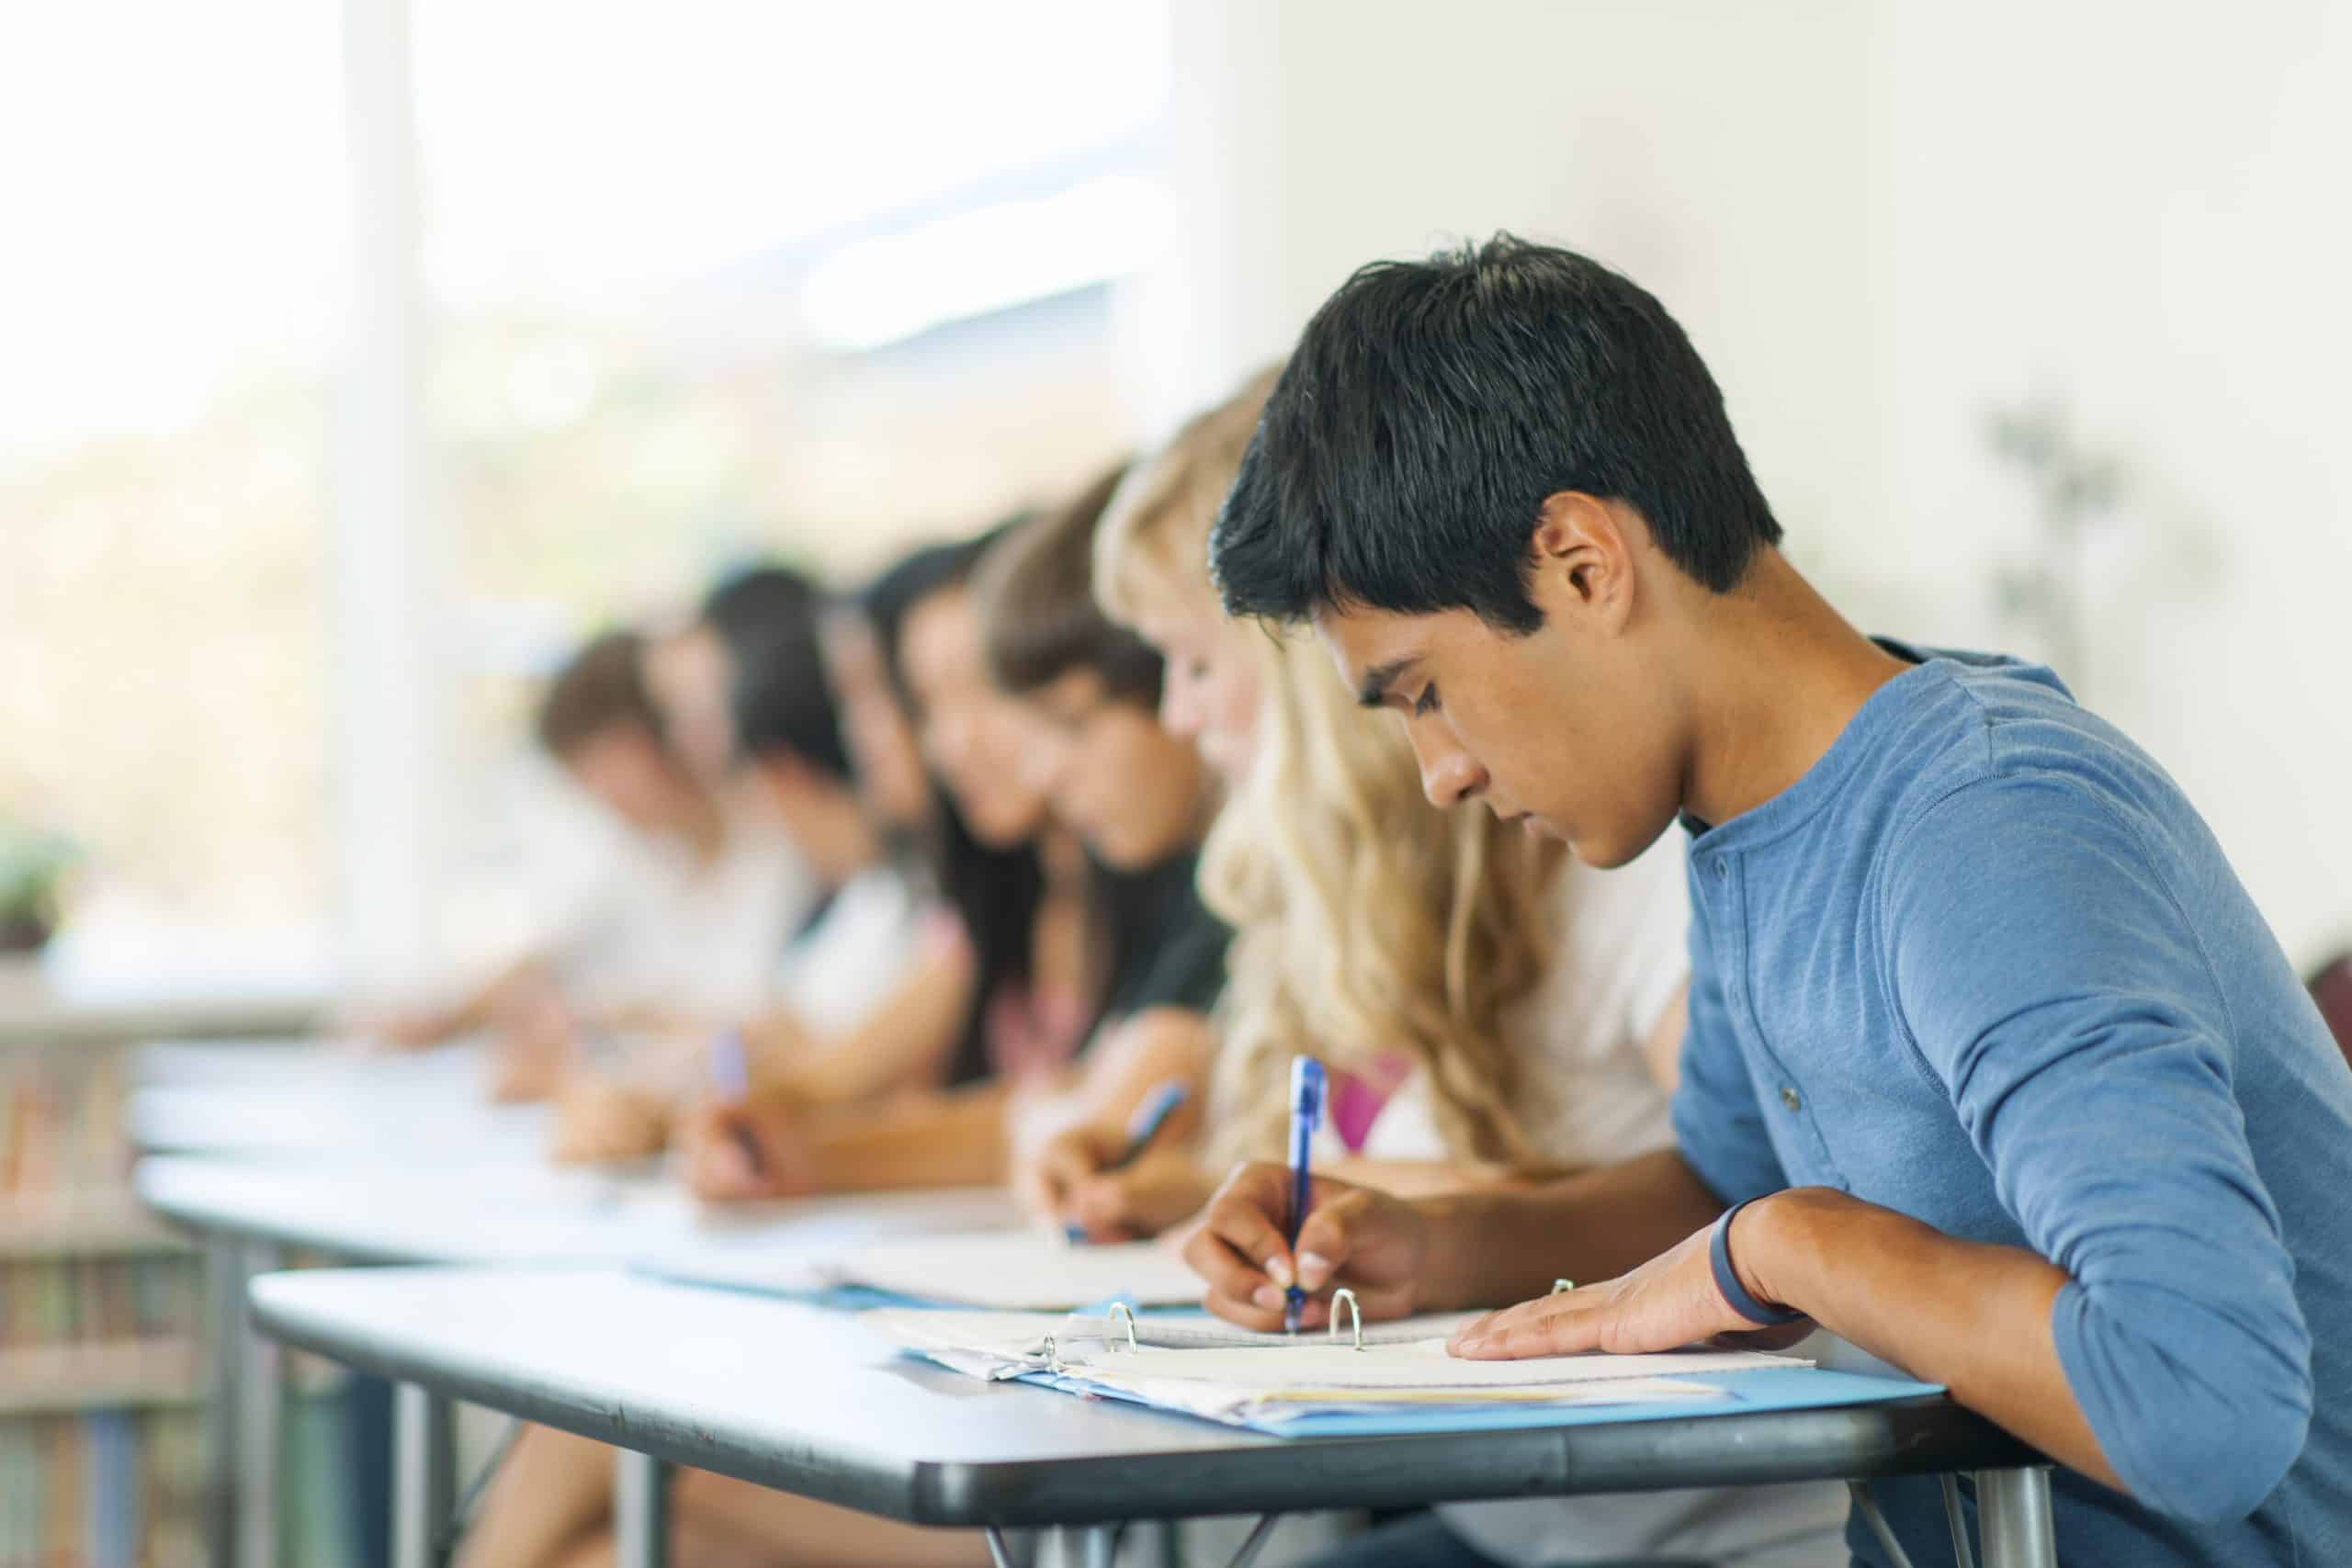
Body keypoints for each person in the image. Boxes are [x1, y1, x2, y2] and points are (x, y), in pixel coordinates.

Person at [1189, 235, 2352, 1566]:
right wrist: (1433, 1243)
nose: (1440, 773)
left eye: (1424, 691)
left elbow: (2203, 1402)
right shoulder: (1750, 826)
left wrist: (1794, 1241)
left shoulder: (1986, 829)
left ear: (1580, 560)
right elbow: (1723, 1186)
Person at [1019, 367, 1848, 1564]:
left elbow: (1737, 1195)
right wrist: (1225, 1194)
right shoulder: (1396, 899)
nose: (1180, 714)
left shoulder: (1633, 861)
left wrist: (1423, 1219)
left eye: (1193, 661)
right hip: (1511, 1521)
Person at [675, 466, 1229, 1201]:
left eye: (993, 695)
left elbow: (1093, 1115)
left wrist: (810, 1147)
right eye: (924, 701)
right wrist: (748, 1124)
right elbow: (840, 1074)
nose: (947, 743)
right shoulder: (997, 899)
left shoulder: (1190, 878)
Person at [368, 626, 810, 1100]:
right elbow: (549, 959)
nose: (600, 795)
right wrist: (443, 1019)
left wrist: (610, 1030)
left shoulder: (786, 848)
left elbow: (780, 1030)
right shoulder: (649, 861)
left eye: (602, 766)